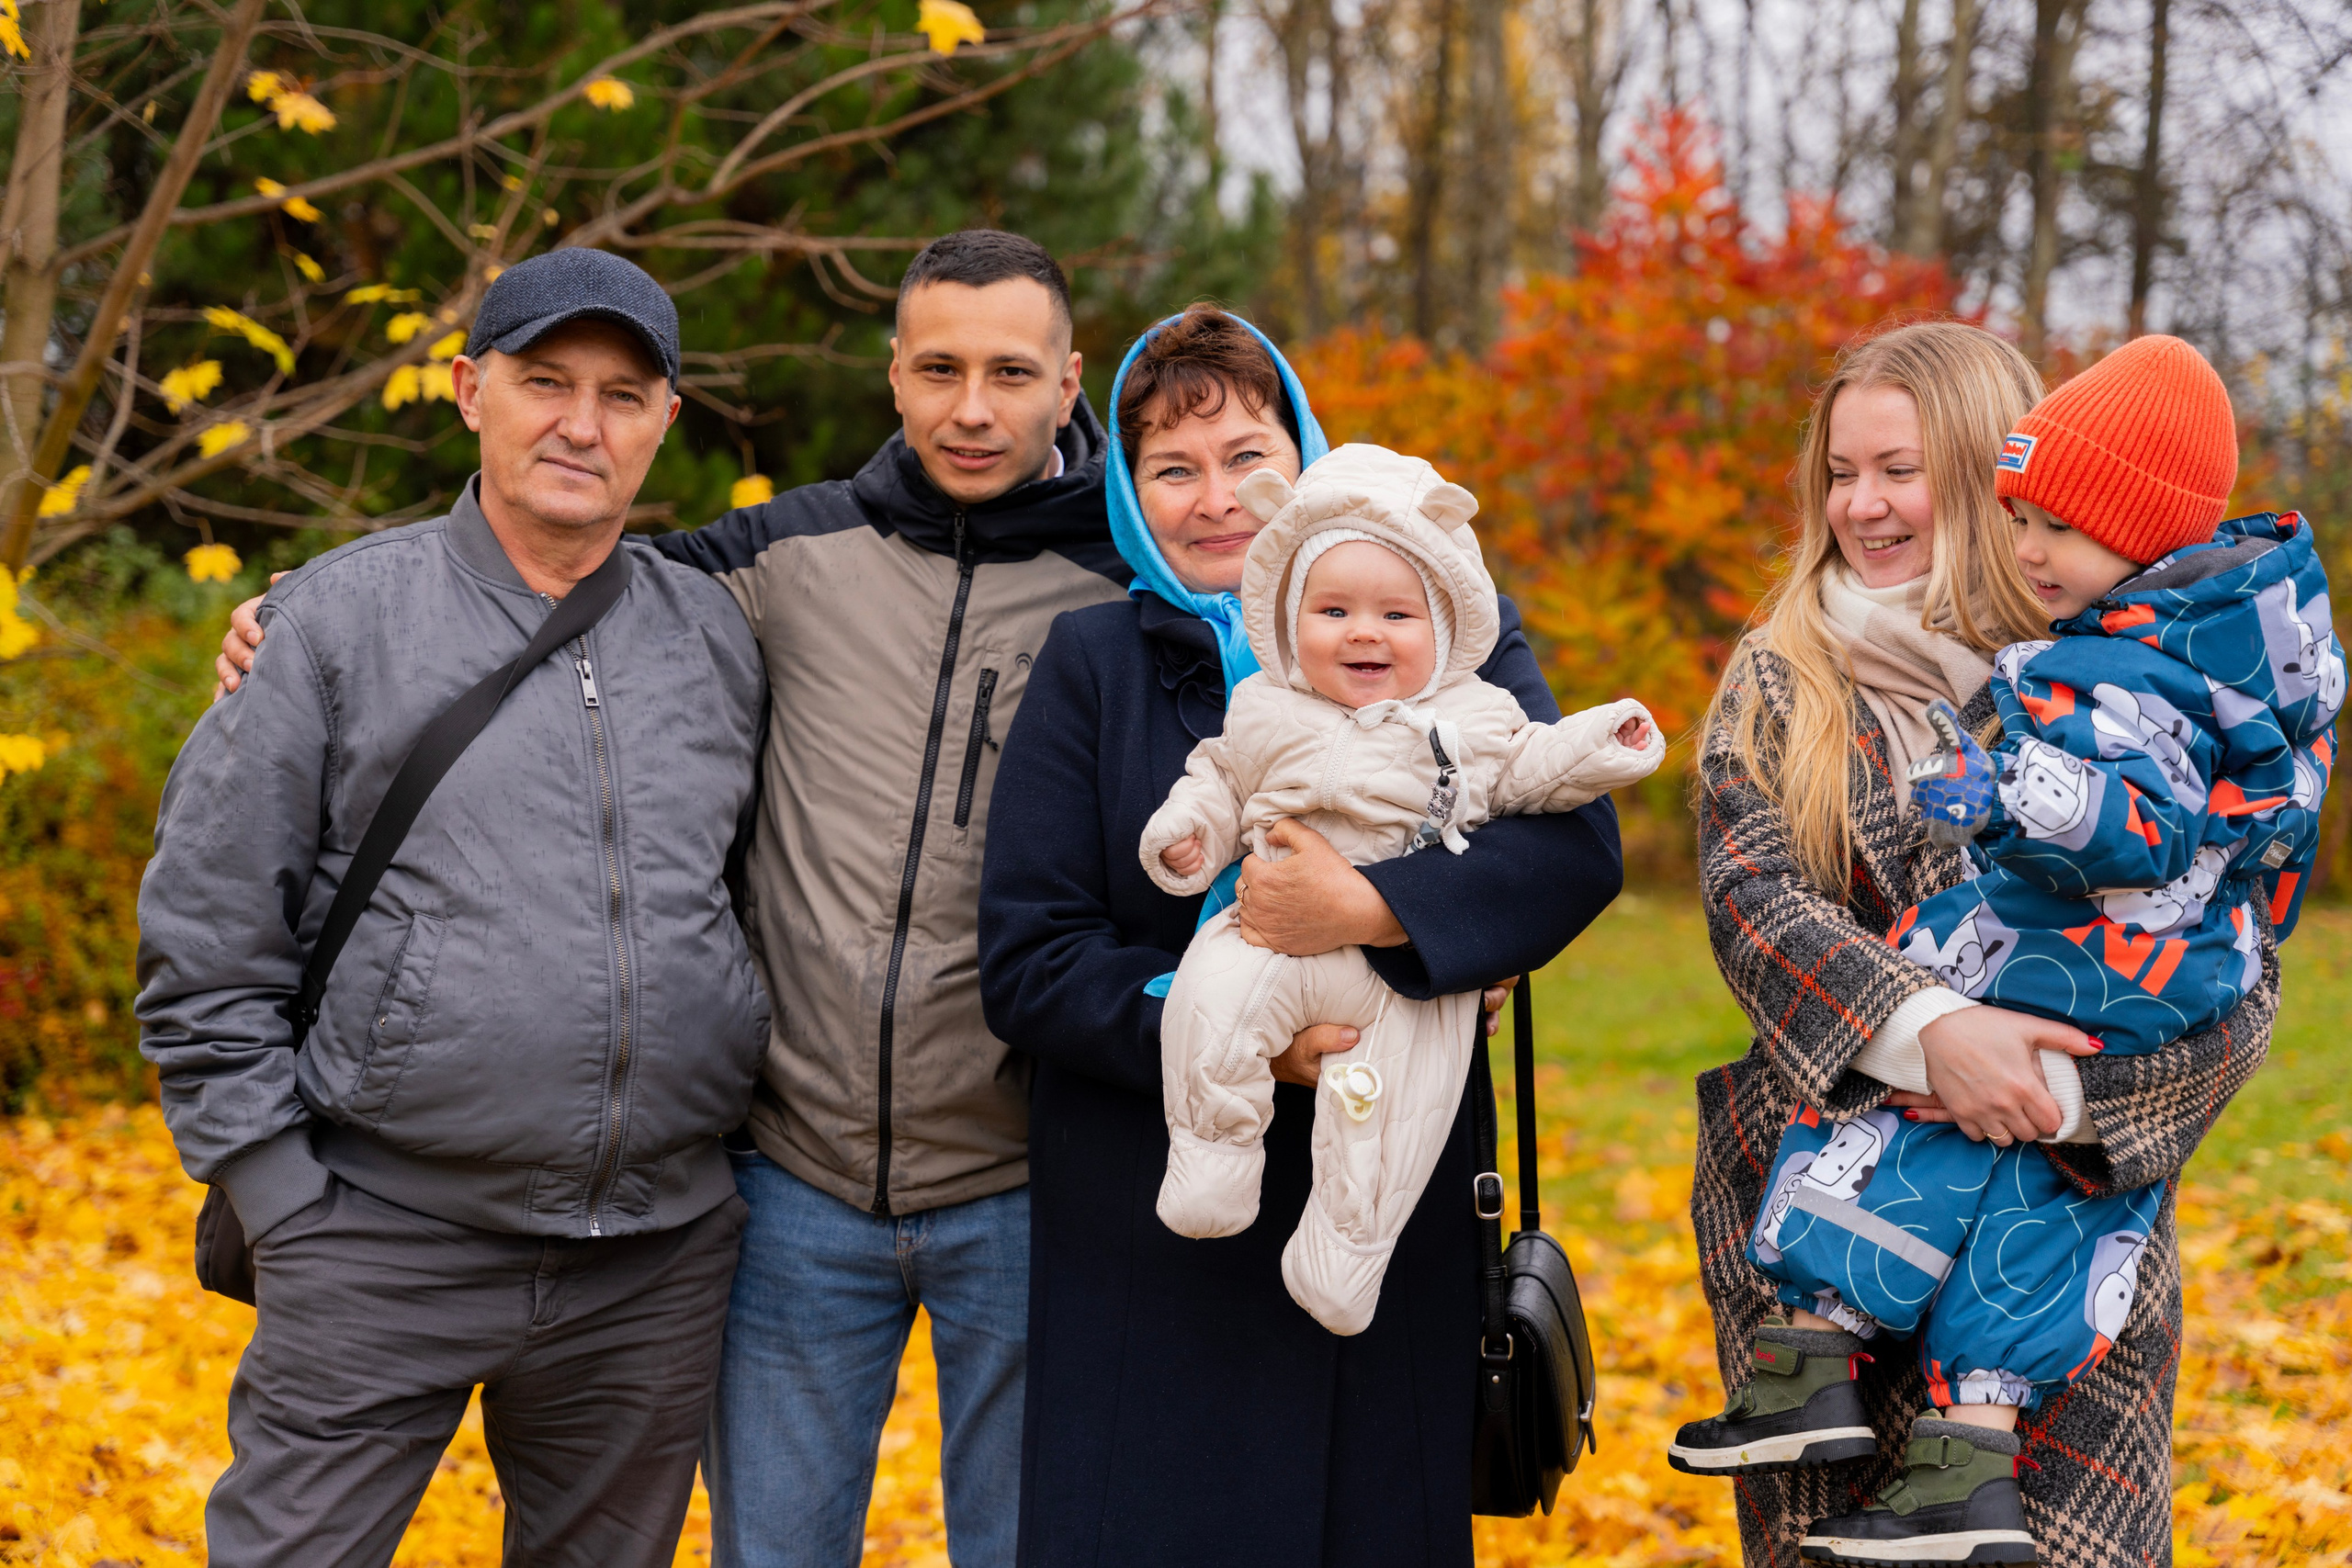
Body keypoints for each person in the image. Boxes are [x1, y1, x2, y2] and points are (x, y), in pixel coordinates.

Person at [214, 231, 1126, 1568]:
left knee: (1028, 1544)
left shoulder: (1140, 586)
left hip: (1021, 1180)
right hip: (796, 1184)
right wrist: (302, 612)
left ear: (1068, 379)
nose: (972, 408)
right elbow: (536, 550)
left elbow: (1338, 624)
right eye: (939, 368)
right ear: (893, 374)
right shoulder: (777, 556)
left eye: (1010, 372)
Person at [137, 250, 770, 1565]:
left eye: (621, 395)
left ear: (666, 420)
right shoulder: (331, 624)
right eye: (546, 383)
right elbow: (205, 938)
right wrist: (281, 1201)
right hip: (378, 1240)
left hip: (650, 1265)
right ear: (472, 391)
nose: (582, 425)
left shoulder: (716, 638)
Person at [977, 305, 1626, 1566]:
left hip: (1390, 1194)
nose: (1217, 498)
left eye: (1247, 457)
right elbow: (1031, 956)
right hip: (1152, 1223)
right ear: (1128, 491)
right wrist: (1226, 1030)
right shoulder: (1093, 662)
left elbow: (1571, 850)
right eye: (1173, 467)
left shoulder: (1442, 626)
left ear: (1304, 458)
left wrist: (1372, 913)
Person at [1680, 320, 2287, 1568]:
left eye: (1897, 470)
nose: (1861, 505)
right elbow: (1753, 898)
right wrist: (1930, 1032)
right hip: (1829, 1229)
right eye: (1839, 474)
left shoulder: (2130, 673)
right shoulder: (1781, 679)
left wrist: (2065, 1092)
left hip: (2062, 1221)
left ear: (1990, 476)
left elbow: (2238, 951)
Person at [1142, 442, 1662, 1334]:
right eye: (1332, 610)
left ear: (1446, 627)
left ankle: (1344, 1259)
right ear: (1289, 620)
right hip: (1272, 938)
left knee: (1386, 1119)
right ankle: (1211, 1162)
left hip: (1406, 975)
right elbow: (1220, 776)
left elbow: (1530, 771)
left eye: (1396, 613)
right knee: (1211, 1002)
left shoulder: (1475, 715)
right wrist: (1190, 831)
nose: (1363, 632)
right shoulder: (1267, 704)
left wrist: (1601, 742)